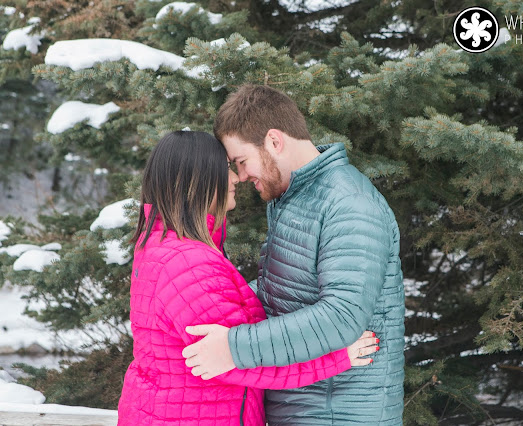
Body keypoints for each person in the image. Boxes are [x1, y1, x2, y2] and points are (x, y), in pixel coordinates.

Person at [117, 130, 379, 426]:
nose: (235, 179)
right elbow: (239, 361)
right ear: (196, 180)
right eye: (225, 169)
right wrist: (337, 358)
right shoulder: (187, 261)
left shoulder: (160, 244)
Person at [182, 85, 405, 424]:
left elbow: (341, 317)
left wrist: (233, 346)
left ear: (274, 141)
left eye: (242, 161)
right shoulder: (294, 197)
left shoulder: (349, 203)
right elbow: (283, 294)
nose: (240, 177)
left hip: (340, 412)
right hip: (305, 405)